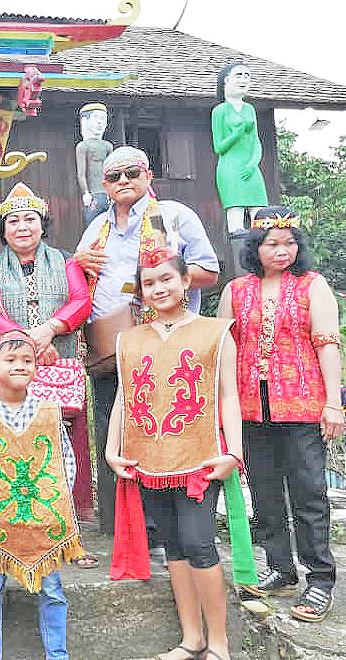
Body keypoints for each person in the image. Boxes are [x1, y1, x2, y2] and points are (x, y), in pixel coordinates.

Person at [106, 249, 243, 660]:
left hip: (200, 457)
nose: (158, 288)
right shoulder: (129, 339)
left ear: (185, 281)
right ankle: (192, 638)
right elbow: (124, 398)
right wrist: (112, 450)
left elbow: (229, 396)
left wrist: (234, 453)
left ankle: (219, 644)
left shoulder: (215, 332)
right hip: (147, 460)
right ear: (140, 290)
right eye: (148, 283)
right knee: (174, 547)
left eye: (166, 279)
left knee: (199, 544)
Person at [74, 145, 219, 532]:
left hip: (165, 344)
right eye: (114, 176)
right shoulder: (96, 227)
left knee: (161, 426)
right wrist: (77, 263)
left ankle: (167, 527)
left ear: (148, 175)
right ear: (104, 184)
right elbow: (77, 278)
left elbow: (209, 271)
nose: (123, 181)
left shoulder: (173, 216)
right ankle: (123, 527)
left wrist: (160, 280)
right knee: (113, 429)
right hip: (110, 348)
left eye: (132, 173)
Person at [218, 206, 342, 623]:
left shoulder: (312, 285)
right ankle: (281, 568)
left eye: (289, 243)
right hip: (250, 407)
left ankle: (320, 579)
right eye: (272, 244)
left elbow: (327, 342)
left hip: (303, 404)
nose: (282, 251)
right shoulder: (236, 290)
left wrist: (333, 403)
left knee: (309, 493)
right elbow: (222, 348)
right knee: (266, 493)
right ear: (256, 247)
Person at [0, 182, 96, 535]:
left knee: (59, 445)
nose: (22, 227)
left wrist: (52, 328)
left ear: (43, 225)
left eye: (30, 219)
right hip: (11, 370)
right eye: (13, 222)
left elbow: (81, 301)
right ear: (3, 231)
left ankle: (65, 526)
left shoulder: (66, 262)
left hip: (60, 365)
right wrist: (30, 342)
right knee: (12, 445)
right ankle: (11, 523)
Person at [0, 328, 84, 660]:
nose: (19, 366)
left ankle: (57, 654)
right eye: (10, 359)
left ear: (36, 368)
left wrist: (59, 507)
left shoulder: (49, 411)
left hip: (43, 523)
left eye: (27, 360)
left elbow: (64, 462)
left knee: (52, 590)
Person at [212, 63, 267, 237]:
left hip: (250, 167)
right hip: (229, 168)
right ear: (227, 80)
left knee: (260, 214)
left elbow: (256, 142)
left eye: (247, 75)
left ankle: (262, 246)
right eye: (239, 75)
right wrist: (237, 133)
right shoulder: (219, 111)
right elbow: (219, 147)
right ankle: (239, 248)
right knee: (235, 212)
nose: (243, 79)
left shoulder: (250, 109)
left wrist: (253, 164)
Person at [74, 102, 114, 225]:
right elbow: (81, 174)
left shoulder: (107, 146)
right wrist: (86, 192)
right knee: (93, 225)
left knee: (112, 225)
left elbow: (112, 171)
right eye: (96, 118)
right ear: (85, 121)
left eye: (103, 119)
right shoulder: (83, 146)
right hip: (93, 193)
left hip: (108, 193)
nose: (100, 122)